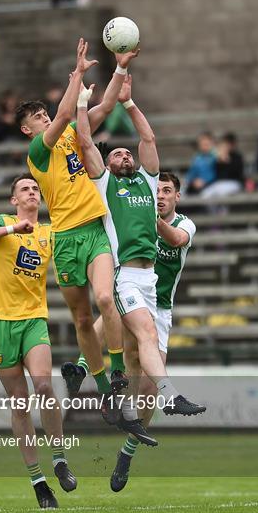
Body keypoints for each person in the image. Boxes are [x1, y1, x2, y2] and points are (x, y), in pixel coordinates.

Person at [75, 76, 205, 445]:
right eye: (117, 154)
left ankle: (128, 406)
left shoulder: (148, 184)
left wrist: (130, 105)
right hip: (125, 276)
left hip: (150, 282)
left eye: (125, 153)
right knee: (143, 335)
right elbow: (85, 142)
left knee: (141, 351)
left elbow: (147, 139)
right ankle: (169, 396)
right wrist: (83, 104)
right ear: (108, 165)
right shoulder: (106, 185)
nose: (125, 155)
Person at [15, 38, 139, 425]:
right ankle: (103, 390)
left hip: (93, 230)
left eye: (43, 113)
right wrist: (78, 74)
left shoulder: (69, 133)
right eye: (37, 116)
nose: (44, 118)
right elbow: (68, 108)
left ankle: (116, 371)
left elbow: (102, 106)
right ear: (27, 129)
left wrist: (119, 68)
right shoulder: (38, 149)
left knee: (106, 297)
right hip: (64, 239)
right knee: (83, 321)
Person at [0, 174, 77, 509]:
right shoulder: (4, 223)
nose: (32, 193)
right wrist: (12, 230)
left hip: (33, 320)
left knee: (43, 385)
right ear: (14, 200)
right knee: (19, 402)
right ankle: (39, 482)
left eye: (35, 189)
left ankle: (58, 458)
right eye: (25, 189)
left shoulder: (48, 233)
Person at [110, 172, 198, 491]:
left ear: (177, 197)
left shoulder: (186, 224)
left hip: (160, 308)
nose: (160, 195)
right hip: (132, 291)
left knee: (148, 389)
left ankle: (127, 453)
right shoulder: (136, 217)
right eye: (156, 190)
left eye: (166, 191)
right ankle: (92, 375)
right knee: (105, 314)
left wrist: (147, 211)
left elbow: (175, 240)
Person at [201, 132, 245, 198]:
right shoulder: (218, 157)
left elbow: (237, 173)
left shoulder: (237, 157)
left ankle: (222, 208)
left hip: (234, 183)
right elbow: (214, 172)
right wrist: (218, 161)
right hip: (219, 183)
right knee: (205, 194)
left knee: (220, 192)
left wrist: (227, 161)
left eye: (227, 144)